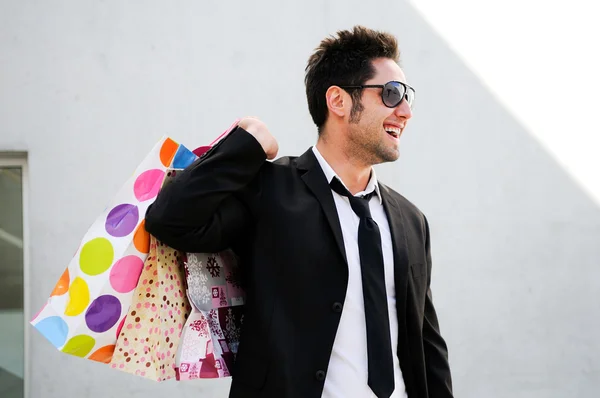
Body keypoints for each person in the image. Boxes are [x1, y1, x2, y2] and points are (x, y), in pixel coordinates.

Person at [145, 25, 452, 398]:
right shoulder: (271, 190)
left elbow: (427, 345)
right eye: (391, 94)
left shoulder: (411, 220)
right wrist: (245, 144)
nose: (405, 111)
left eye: (408, 98)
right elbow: (170, 220)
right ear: (337, 101)